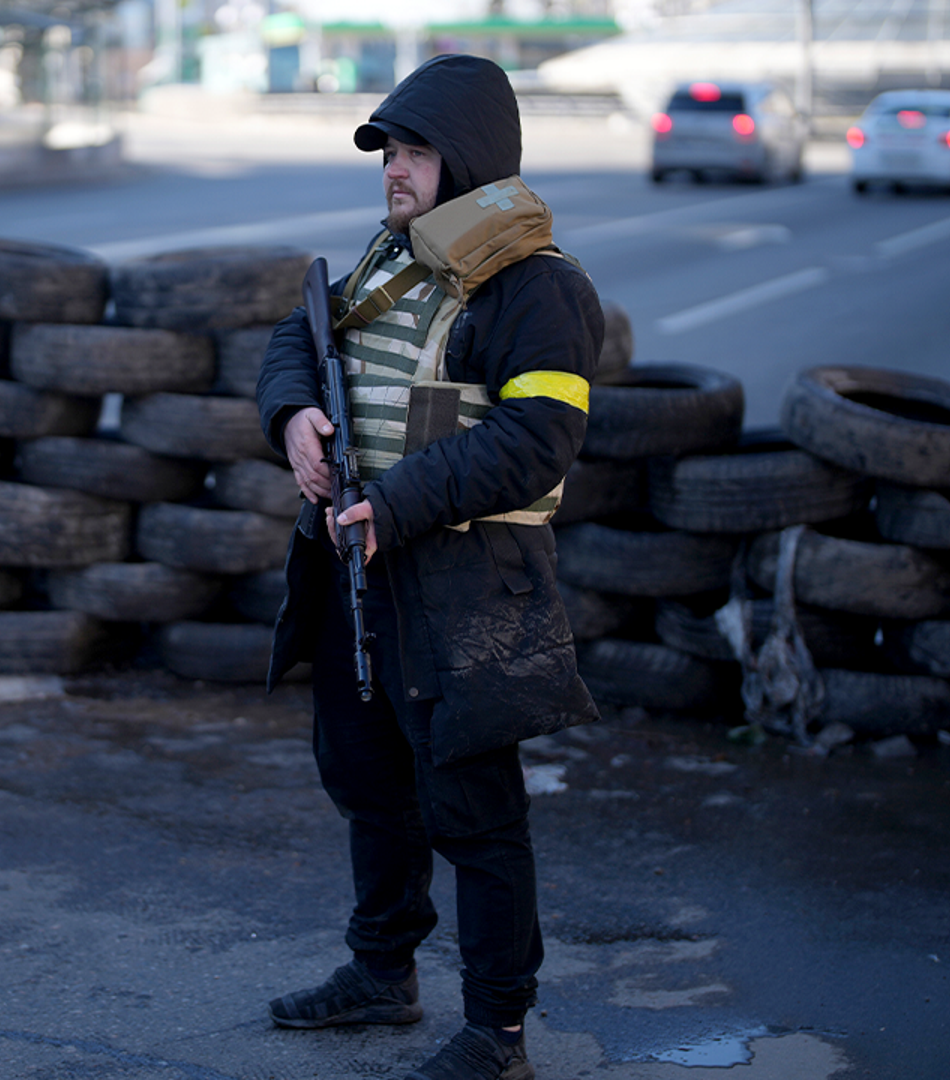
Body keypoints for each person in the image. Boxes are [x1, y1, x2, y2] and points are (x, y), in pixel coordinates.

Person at [254, 54, 602, 1080]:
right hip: (359, 565)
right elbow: (293, 334)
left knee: (474, 810)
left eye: (413, 152)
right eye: (388, 154)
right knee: (367, 779)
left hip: (467, 582)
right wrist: (293, 416)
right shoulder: (389, 257)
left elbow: (540, 437)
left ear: (472, 161)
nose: (393, 173)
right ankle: (381, 973)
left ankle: (498, 1033)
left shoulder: (538, 286)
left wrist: (397, 500)